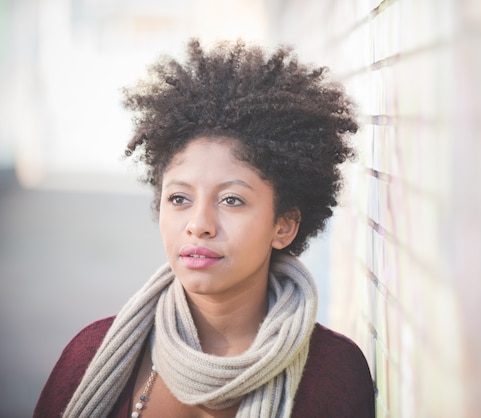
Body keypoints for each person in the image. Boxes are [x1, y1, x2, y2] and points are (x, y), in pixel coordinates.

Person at [33, 39, 375, 418]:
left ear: (284, 225)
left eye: (231, 200)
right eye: (179, 199)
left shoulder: (332, 375)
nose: (199, 225)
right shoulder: (90, 356)